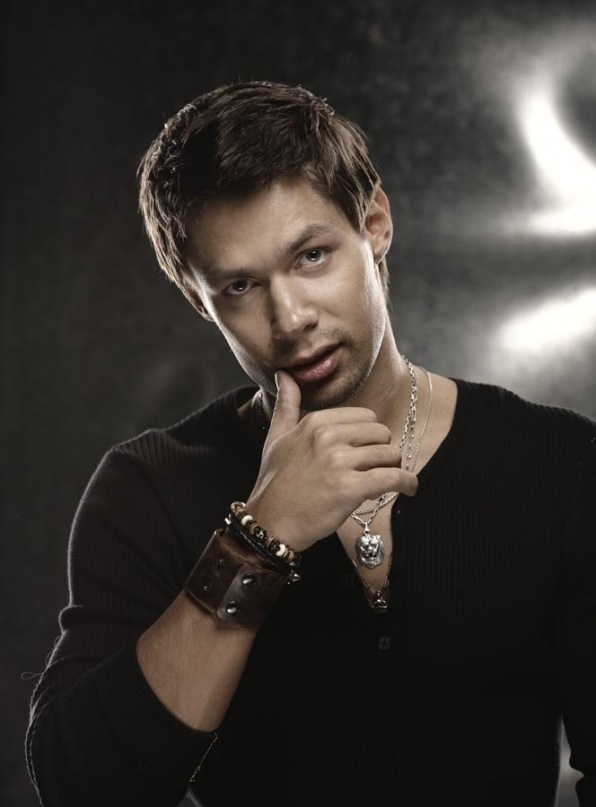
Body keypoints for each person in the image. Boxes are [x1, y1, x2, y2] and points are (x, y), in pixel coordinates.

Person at [26, 81, 596, 807]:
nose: (290, 317)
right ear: (199, 300)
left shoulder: (558, 461)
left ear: (375, 224)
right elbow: (82, 786)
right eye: (240, 286)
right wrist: (258, 540)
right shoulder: (149, 486)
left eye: (312, 256)